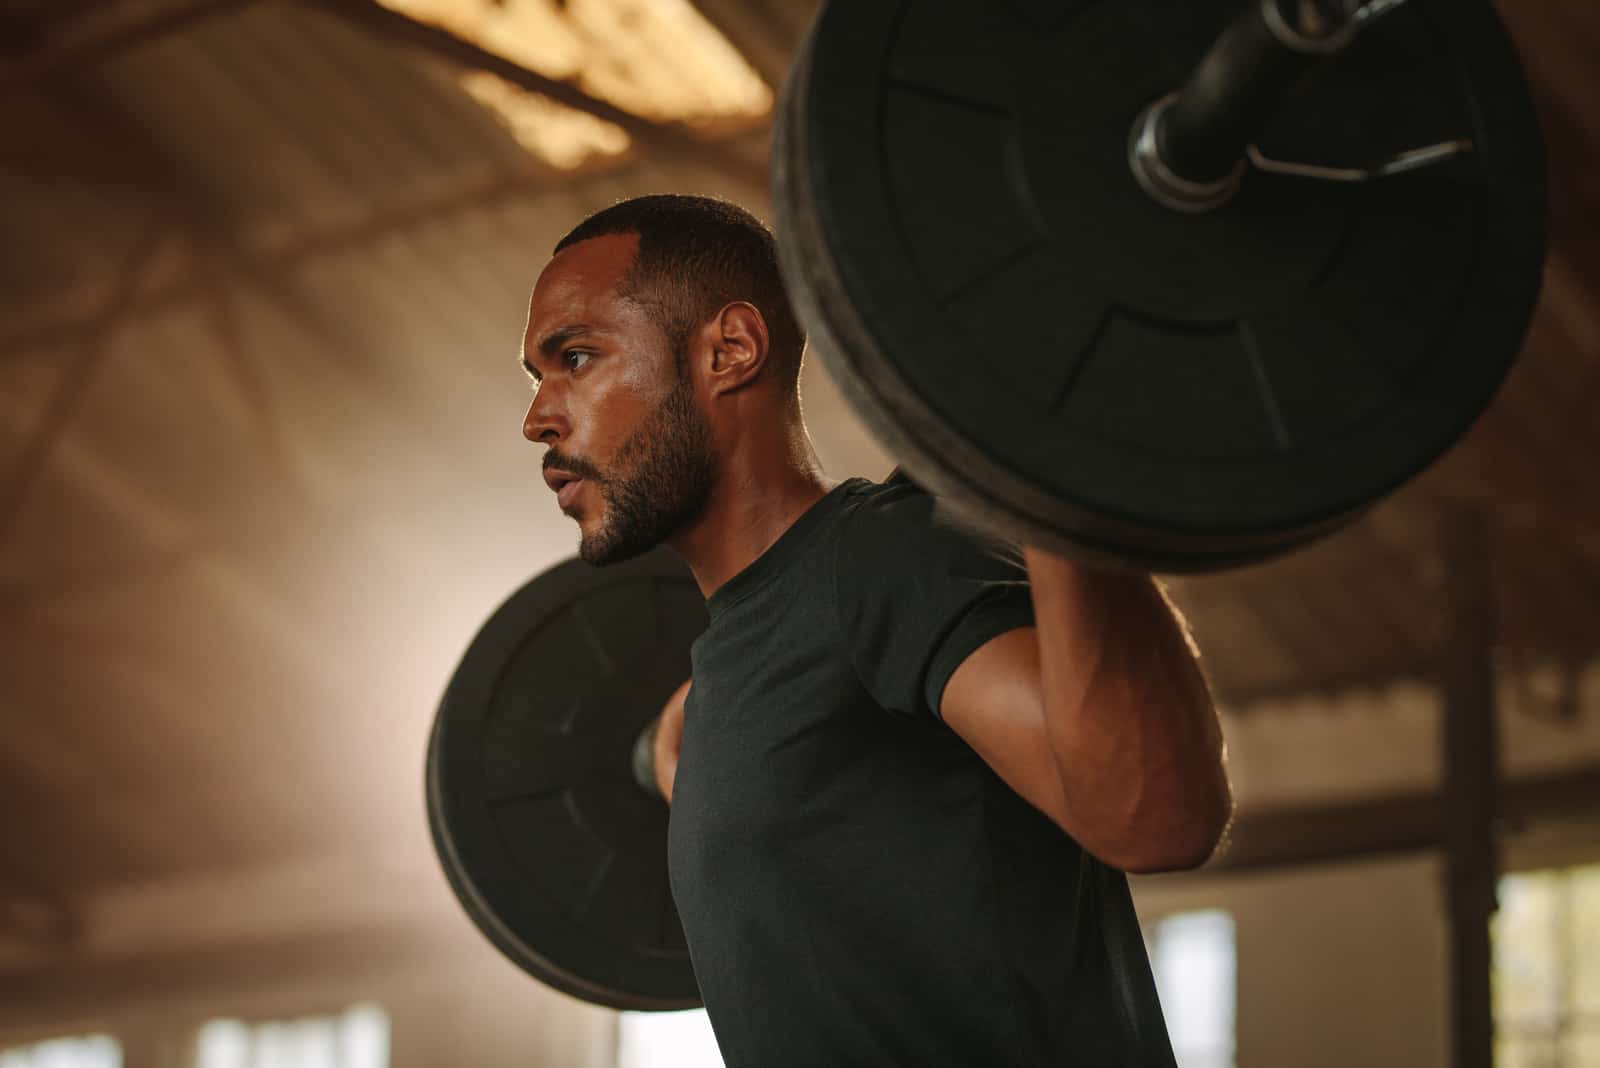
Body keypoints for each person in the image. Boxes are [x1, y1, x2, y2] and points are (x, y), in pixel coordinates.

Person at [520, 194, 1232, 1067]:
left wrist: (1048, 452)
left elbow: (1155, 816)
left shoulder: (886, 561)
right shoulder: (725, 681)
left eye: (576, 359)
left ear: (730, 351)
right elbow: (757, 748)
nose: (539, 418)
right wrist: (673, 743)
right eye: (537, 378)